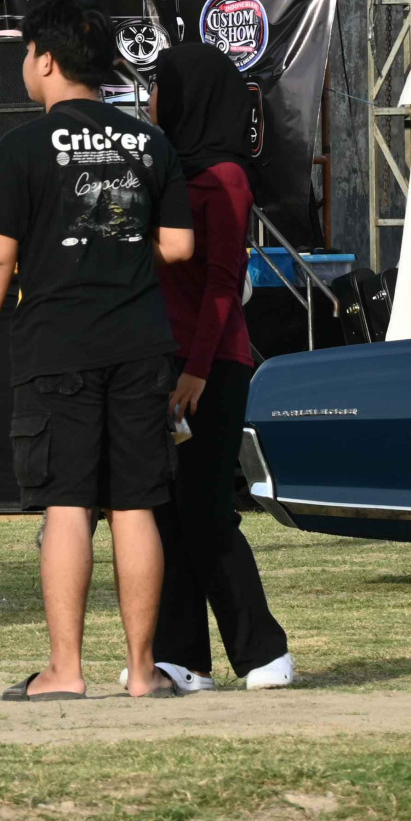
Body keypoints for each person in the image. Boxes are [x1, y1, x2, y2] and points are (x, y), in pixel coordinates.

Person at [0, 0, 194, 701]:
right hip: (141, 342)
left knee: (68, 504)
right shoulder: (150, 144)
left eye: (28, 52)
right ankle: (143, 671)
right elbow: (179, 245)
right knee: (135, 505)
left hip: (58, 346)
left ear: (46, 61)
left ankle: (65, 671)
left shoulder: (23, 147)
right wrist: (117, 243)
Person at [140, 44, 293, 694]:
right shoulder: (166, 169)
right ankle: (183, 658)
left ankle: (263, 650)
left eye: (159, 87)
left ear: (188, 96)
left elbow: (224, 285)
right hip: (166, 362)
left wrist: (197, 371)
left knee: (205, 512)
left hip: (212, 368)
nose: (150, 100)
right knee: (169, 515)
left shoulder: (226, 177)